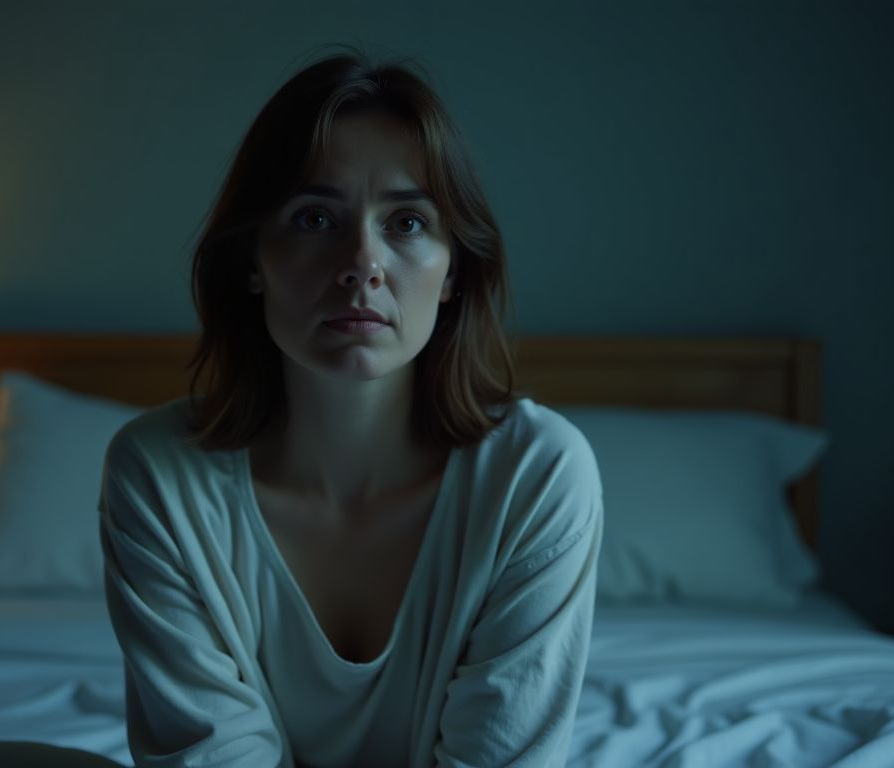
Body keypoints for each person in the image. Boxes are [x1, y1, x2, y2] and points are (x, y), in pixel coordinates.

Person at [99, 49, 603, 768]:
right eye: (313, 218)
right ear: (251, 261)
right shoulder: (157, 476)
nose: (362, 262)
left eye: (405, 224)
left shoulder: (537, 474)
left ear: (454, 268)